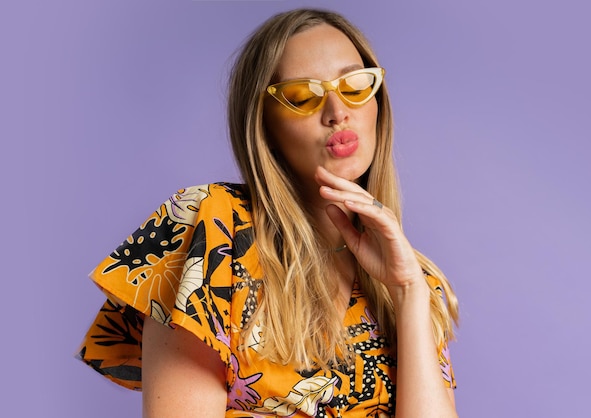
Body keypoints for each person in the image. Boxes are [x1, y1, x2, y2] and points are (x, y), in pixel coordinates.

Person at [77, 8, 459, 418]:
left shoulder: (416, 280)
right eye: (302, 96)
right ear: (264, 126)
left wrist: (408, 292)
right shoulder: (215, 230)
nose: (337, 111)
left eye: (355, 85)